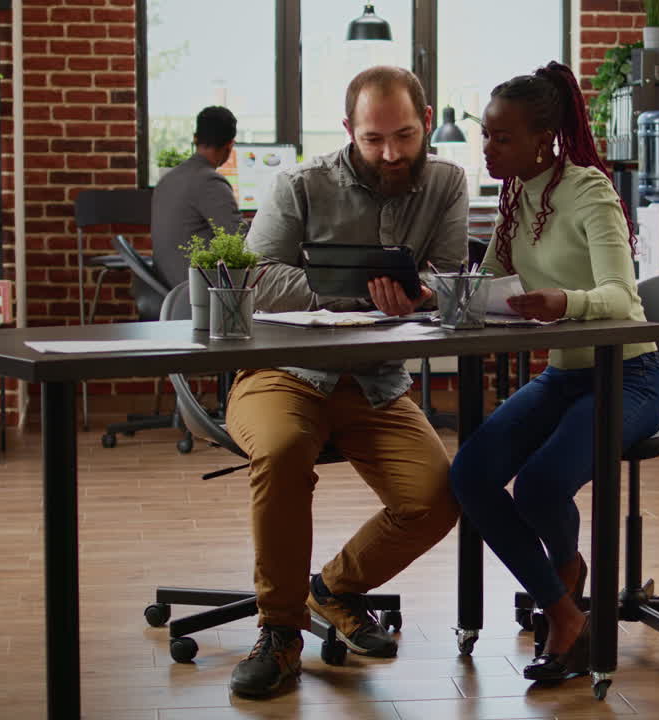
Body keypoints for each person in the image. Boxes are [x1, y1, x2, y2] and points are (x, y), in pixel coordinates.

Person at [223, 66, 469, 699]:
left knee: (438, 498)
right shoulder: (301, 184)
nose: (392, 153)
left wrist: (421, 293)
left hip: (374, 383)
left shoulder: (445, 182)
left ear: (425, 120)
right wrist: (357, 291)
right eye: (374, 140)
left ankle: (334, 588)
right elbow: (257, 277)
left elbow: (446, 278)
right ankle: (279, 634)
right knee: (280, 454)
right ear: (348, 131)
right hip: (285, 374)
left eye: (406, 136)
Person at [448, 61, 659, 683]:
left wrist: (562, 303)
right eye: (485, 136)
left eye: (501, 137)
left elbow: (622, 297)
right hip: (567, 374)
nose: (488, 148)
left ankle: (563, 602)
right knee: (470, 474)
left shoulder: (591, 190)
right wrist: (434, 293)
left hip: (629, 376)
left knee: (540, 487)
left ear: (542, 137)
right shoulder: (515, 195)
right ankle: (564, 596)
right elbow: (487, 279)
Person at [151, 105, 244, 290]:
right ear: (230, 146)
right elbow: (239, 240)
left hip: (168, 284)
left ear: (195, 138)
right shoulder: (209, 181)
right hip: (196, 289)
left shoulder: (168, 179)